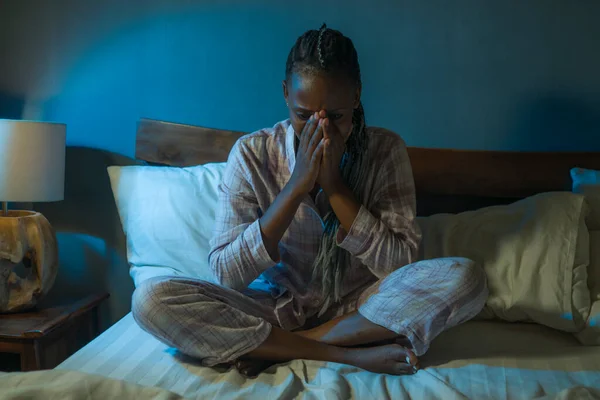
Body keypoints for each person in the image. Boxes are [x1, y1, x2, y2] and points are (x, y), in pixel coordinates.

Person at [133, 24, 488, 377]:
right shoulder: (253, 154)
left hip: (361, 311)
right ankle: (346, 354)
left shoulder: (385, 151)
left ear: (356, 97)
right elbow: (227, 275)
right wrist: (296, 187)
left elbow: (399, 266)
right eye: (304, 116)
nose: (322, 130)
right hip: (277, 306)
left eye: (335, 117)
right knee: (150, 300)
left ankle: (285, 346)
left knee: (467, 278)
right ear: (286, 94)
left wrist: (334, 186)